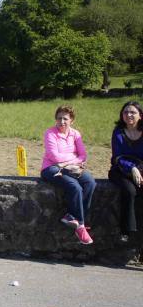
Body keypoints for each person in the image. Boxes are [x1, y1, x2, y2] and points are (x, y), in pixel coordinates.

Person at [40, 105, 94, 245]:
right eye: (59, 118)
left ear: (72, 120)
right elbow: (54, 156)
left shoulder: (75, 134)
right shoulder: (50, 133)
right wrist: (71, 159)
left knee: (90, 182)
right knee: (74, 186)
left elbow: (83, 155)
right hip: (51, 168)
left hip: (71, 167)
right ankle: (81, 226)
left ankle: (72, 215)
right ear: (55, 119)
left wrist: (70, 163)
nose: (62, 121)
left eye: (65, 118)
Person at [108, 101, 143, 260]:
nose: (129, 115)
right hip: (120, 171)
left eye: (133, 112)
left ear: (140, 115)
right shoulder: (118, 132)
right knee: (129, 191)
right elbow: (117, 157)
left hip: (141, 172)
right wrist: (132, 168)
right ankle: (126, 231)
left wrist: (139, 170)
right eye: (126, 112)